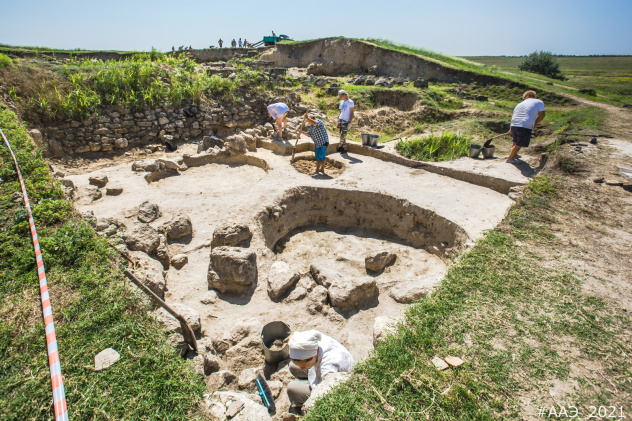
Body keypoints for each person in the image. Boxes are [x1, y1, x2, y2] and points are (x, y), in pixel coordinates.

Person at [286, 330, 354, 415]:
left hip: (334, 382)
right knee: (293, 366)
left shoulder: (331, 366)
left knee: (292, 389)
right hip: (319, 369)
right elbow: (299, 339)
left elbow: (326, 394)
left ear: (313, 356)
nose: (302, 369)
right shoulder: (313, 342)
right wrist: (293, 339)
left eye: (303, 366)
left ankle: (298, 407)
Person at [506, 90, 545, 163]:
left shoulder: (520, 104)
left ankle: (514, 154)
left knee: (515, 141)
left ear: (525, 97)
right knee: (519, 143)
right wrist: (535, 123)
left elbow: (514, 115)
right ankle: (510, 158)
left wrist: (511, 128)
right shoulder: (539, 102)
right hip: (525, 125)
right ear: (534, 96)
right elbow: (542, 115)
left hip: (514, 124)